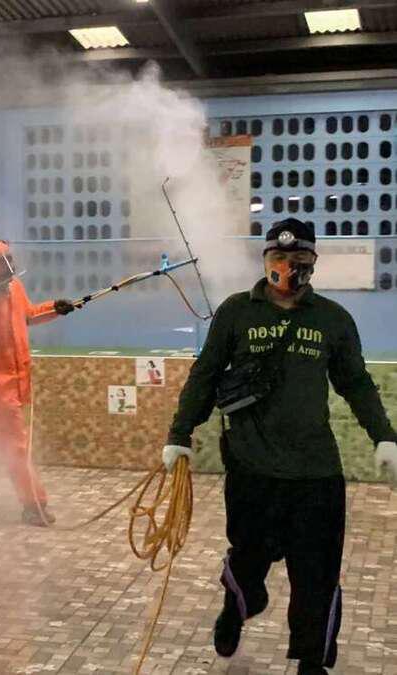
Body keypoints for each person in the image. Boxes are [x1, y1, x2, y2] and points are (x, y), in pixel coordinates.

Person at [161, 218, 397, 674]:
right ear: (265, 259)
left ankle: (312, 661)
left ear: (313, 262)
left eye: (299, 258)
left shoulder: (332, 320)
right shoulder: (236, 313)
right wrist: (179, 433)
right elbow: (205, 376)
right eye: (279, 257)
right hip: (252, 470)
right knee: (248, 560)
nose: (288, 266)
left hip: (316, 474)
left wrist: (383, 435)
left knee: (317, 575)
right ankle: (239, 605)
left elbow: (356, 383)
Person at [0, 238, 76, 526]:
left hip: (16, 379)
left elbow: (28, 315)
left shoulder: (15, 288)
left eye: (9, 258)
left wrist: (55, 308)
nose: (8, 265)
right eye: (1, 261)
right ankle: (34, 504)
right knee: (15, 445)